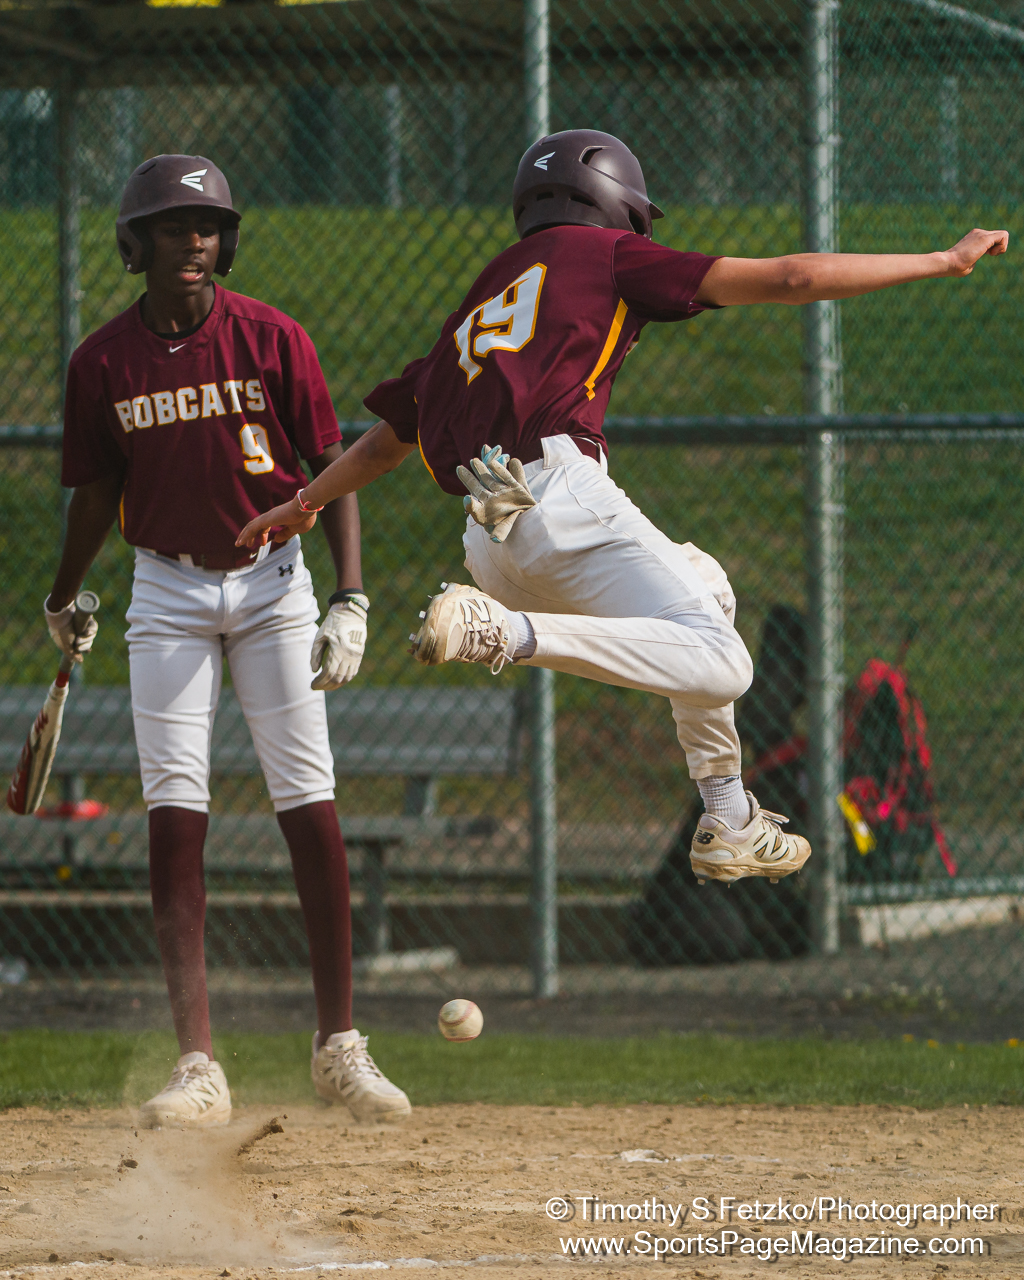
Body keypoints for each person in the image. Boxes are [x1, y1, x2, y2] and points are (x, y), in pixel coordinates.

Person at [236, 128, 1007, 890]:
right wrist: (941, 260)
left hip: (489, 538)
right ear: (615, 200)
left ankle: (729, 814)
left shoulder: (484, 295)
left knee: (708, 588)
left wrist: (303, 501)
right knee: (725, 662)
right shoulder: (604, 253)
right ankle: (502, 633)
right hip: (555, 498)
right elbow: (794, 277)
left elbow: (387, 441)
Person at [47, 154, 410, 1127]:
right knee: (176, 810)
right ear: (136, 243)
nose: (195, 242)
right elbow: (95, 496)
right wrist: (63, 596)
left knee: (309, 799)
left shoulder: (272, 337)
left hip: (273, 584)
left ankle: (338, 1046)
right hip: (165, 588)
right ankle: (198, 1064)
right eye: (173, 226)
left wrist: (351, 595)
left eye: (208, 226)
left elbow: (331, 466)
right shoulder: (102, 363)